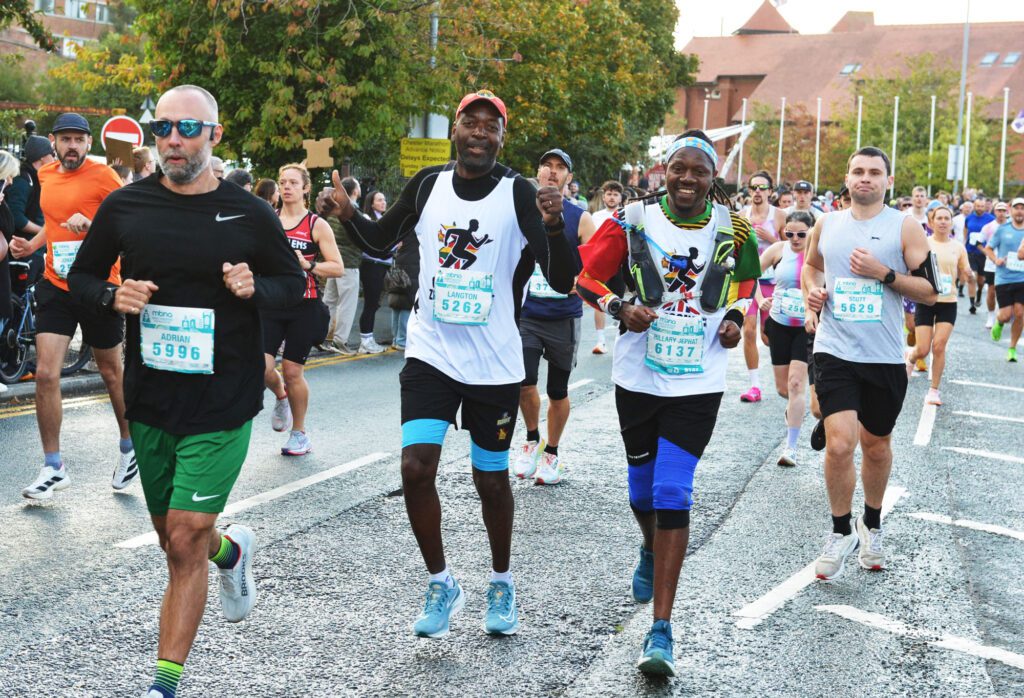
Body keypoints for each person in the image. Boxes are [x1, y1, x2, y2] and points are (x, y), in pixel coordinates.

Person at [67, 84, 305, 698]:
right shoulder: (127, 207)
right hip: (149, 399)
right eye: (163, 127)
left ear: (214, 137)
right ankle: (231, 553)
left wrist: (257, 287)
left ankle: (163, 686)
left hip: (223, 399)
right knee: (176, 544)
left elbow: (292, 285)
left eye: (188, 129)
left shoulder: (249, 213)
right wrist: (108, 296)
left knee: (185, 533)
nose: (173, 138)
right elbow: (83, 275)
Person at [317, 88, 576, 640]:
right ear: (455, 130)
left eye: (492, 126)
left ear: (502, 138)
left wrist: (553, 226)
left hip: (494, 361)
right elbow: (381, 242)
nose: (480, 133)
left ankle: (501, 581)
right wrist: (349, 214)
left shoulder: (518, 192)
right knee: (415, 468)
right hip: (432, 351)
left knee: (490, 481)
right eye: (471, 123)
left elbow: (562, 279)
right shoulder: (429, 184)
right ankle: (441, 581)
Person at [575, 130, 759, 676]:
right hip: (638, 375)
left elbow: (747, 285)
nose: (686, 178)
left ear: (712, 178)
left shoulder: (734, 227)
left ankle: (662, 629)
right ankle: (650, 547)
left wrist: (733, 319)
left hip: (699, 377)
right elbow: (584, 277)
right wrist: (617, 306)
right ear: (665, 170)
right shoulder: (631, 220)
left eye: (697, 171)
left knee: (672, 488)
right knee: (641, 490)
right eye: (678, 168)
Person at [802, 146, 937, 582]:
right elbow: (812, 268)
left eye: (874, 172)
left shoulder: (905, 226)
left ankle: (871, 524)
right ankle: (840, 530)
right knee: (841, 444)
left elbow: (930, 291)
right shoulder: (828, 223)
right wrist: (813, 294)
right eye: (858, 171)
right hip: (834, 348)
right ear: (847, 177)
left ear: (887, 181)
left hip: (883, 355)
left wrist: (885, 273)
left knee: (876, 446)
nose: (865, 178)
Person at [9, 113, 137, 500]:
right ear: (53, 142)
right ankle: (53, 466)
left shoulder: (104, 177)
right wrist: (32, 245)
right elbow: (54, 220)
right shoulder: (45, 176)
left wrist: (93, 224)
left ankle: (130, 448)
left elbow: (129, 225)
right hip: (56, 284)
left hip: (99, 285)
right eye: (65, 140)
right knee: (46, 373)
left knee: (112, 373)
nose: (72, 147)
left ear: (88, 144)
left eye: (79, 140)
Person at [511, 148, 591, 485]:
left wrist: (580, 282)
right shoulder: (521, 213)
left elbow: (595, 264)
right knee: (524, 380)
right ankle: (532, 438)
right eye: (547, 166)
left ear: (569, 178)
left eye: (561, 168)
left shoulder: (580, 217)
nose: (553, 172)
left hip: (563, 316)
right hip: (528, 313)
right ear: (539, 172)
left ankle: (552, 453)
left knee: (557, 390)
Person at [262, 163, 343, 455]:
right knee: (262, 367)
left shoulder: (315, 225)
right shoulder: (268, 220)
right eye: (283, 182)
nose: (286, 187)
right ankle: (281, 395)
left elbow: (338, 267)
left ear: (305, 188)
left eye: (293, 183)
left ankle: (299, 433)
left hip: (304, 304)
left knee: (293, 370)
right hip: (271, 302)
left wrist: (308, 264)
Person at [757, 211, 815, 466]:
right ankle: (794, 409)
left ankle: (791, 448)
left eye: (801, 234)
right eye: (789, 233)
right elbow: (750, 275)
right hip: (779, 324)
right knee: (783, 390)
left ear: (811, 232)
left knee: (795, 385)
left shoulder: (820, 254)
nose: (794, 238)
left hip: (807, 327)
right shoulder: (778, 250)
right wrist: (761, 301)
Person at [906, 205, 969, 404]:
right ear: (932, 222)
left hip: (948, 302)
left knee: (939, 346)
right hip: (926, 300)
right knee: (923, 348)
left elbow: (964, 268)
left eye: (946, 218)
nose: (943, 221)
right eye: (939, 218)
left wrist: (968, 274)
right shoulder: (925, 243)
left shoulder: (958, 247)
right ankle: (911, 357)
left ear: (951, 223)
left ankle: (934, 390)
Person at [738, 170, 785, 402]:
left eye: (762, 188)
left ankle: (785, 373)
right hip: (748, 280)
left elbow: (793, 247)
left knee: (768, 337)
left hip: (773, 283)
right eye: (753, 187)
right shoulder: (740, 215)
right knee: (748, 330)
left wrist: (771, 237)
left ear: (770, 191)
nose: (757, 192)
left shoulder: (779, 216)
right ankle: (754, 386)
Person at [6, 135, 52, 282]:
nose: (55, 159)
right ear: (43, 158)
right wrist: (44, 232)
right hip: (22, 252)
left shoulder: (37, 178)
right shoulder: (23, 180)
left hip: (35, 250)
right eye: (53, 155)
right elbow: (17, 218)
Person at [986, 198, 1024, 362]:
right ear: (1011, 210)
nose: (1020, 211)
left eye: (1023, 208)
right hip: (1004, 277)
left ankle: (1012, 348)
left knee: (1020, 313)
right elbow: (988, 248)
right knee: (1006, 315)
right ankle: (999, 322)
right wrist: (996, 260)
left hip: (1022, 278)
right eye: (1017, 208)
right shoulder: (1002, 229)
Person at [589, 180, 625, 354]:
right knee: (599, 302)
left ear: (621, 198)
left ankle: (620, 337)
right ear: (604, 197)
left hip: (619, 265)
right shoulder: (595, 216)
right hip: (600, 265)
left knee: (618, 302)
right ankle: (601, 342)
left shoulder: (625, 215)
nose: (612, 197)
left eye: (615, 194)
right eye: (609, 194)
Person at [355, 189, 392, 354]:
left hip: (382, 265)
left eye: (384, 199)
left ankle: (368, 339)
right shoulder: (368, 219)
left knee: (374, 302)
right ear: (371, 203)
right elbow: (376, 244)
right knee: (370, 303)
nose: (383, 202)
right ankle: (366, 340)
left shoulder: (382, 219)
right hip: (372, 265)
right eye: (379, 200)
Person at [980, 201, 1008, 327]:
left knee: (1006, 292)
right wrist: (989, 255)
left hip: (1009, 265)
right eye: (999, 210)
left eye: (1003, 210)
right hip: (992, 265)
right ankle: (991, 315)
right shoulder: (988, 227)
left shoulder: (1012, 226)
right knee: (991, 292)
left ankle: (1002, 314)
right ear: (994, 211)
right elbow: (979, 243)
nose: (1001, 213)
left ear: (1007, 212)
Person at [965, 197, 994, 313]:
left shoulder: (991, 219)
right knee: (972, 276)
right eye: (978, 206)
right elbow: (966, 230)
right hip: (970, 251)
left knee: (981, 280)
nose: (980, 208)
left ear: (985, 206)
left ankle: (979, 292)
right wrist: (964, 243)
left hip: (983, 253)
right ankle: (972, 304)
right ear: (974, 206)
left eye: (982, 206)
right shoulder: (969, 218)